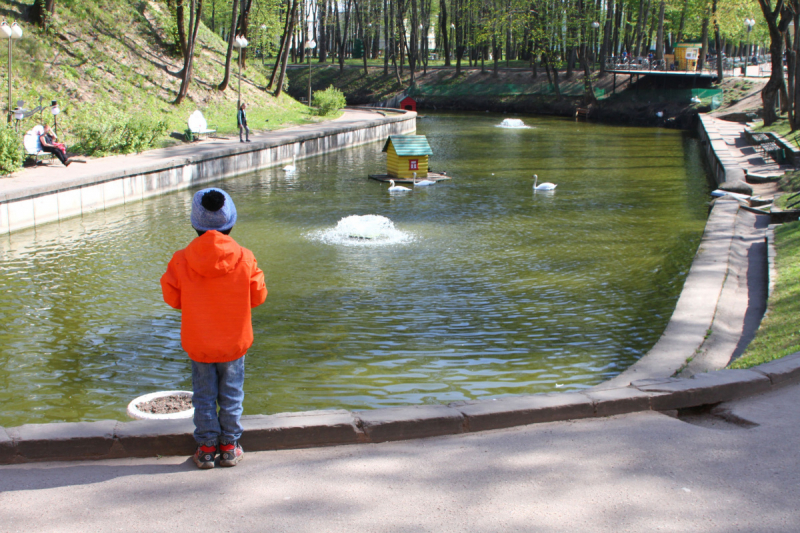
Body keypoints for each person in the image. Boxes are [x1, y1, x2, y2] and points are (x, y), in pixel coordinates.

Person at [160, 188, 267, 469]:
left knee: (203, 395)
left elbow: (172, 298)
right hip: (234, 341)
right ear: (230, 220)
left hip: (199, 341)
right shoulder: (245, 257)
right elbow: (258, 295)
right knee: (232, 393)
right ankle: (229, 446)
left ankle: (207, 448)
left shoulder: (182, 259)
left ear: (195, 223)